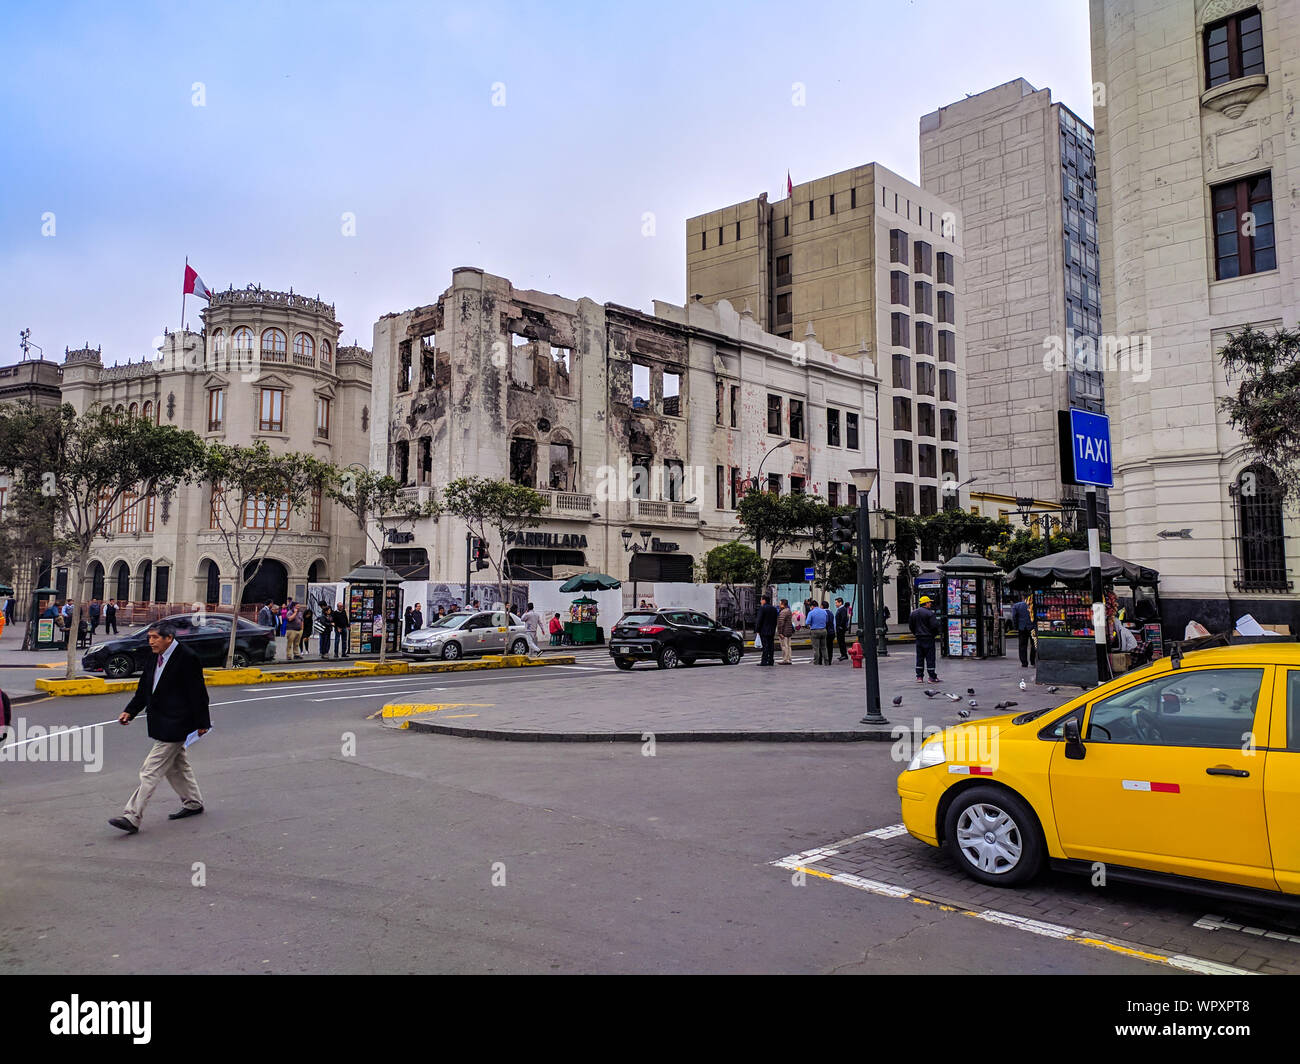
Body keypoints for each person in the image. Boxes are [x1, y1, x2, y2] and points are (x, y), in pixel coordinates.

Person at [108, 620, 210, 834]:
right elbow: (145, 687)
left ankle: (132, 816)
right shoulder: (155, 656)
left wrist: (202, 723)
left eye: (155, 637)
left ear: (168, 638)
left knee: (150, 770)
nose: (151, 641)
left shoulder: (187, 658)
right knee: (176, 766)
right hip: (161, 720)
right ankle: (193, 802)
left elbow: (198, 693)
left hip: (177, 722)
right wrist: (130, 710)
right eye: (149, 637)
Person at [910, 595, 942, 684]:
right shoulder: (930, 613)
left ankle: (919, 677)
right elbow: (934, 626)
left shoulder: (913, 613)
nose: (930, 604)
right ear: (926, 603)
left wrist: (916, 634)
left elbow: (911, 626)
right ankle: (931, 677)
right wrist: (934, 634)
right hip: (928, 638)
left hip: (919, 638)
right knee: (930, 657)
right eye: (929, 602)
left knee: (919, 657)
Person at [1012, 591, 1036, 668]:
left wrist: (1016, 627)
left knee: (1022, 645)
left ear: (1022, 597)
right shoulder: (1033, 605)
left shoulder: (1017, 606)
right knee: (1034, 645)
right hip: (1032, 627)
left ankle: (1024, 662)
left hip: (1022, 627)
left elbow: (1014, 617)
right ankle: (1032, 661)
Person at [755, 594, 779, 666]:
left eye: (761, 600)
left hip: (763, 630)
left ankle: (764, 661)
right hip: (771, 630)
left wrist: (757, 630)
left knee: (765, 646)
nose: (760, 601)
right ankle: (771, 660)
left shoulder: (762, 608)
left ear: (764, 600)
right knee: (771, 646)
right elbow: (775, 620)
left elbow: (759, 620)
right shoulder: (774, 609)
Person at [776, 598, 794, 665]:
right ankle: (789, 659)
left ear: (783, 604)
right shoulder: (789, 611)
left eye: (780, 603)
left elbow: (781, 623)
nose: (779, 605)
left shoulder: (783, 612)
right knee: (788, 646)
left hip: (784, 632)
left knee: (784, 646)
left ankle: (785, 659)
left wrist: (780, 632)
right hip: (789, 631)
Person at [821, 601, 836, 666]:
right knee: (830, 647)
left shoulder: (823, 613)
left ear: (822, 606)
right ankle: (829, 660)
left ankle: (823, 660)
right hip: (831, 632)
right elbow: (834, 623)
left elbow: (824, 623)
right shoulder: (831, 613)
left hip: (825, 631)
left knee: (823, 647)